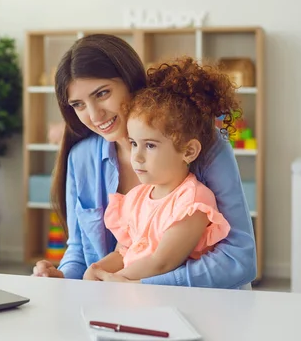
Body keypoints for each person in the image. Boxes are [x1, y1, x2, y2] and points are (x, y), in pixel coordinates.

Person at [32, 34, 257, 288]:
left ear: (130, 81)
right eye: (78, 104)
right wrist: (60, 279)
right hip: (121, 302)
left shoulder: (201, 144)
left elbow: (240, 258)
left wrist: (142, 284)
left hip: (206, 307)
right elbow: (79, 254)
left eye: (102, 93)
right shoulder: (81, 158)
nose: (95, 115)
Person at [85, 59, 235, 282]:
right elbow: (123, 252)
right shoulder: (137, 197)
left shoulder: (193, 202)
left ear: (189, 151)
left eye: (150, 145)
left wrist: (114, 281)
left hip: (174, 300)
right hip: (135, 293)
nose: (137, 156)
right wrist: (96, 270)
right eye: (134, 143)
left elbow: (162, 262)